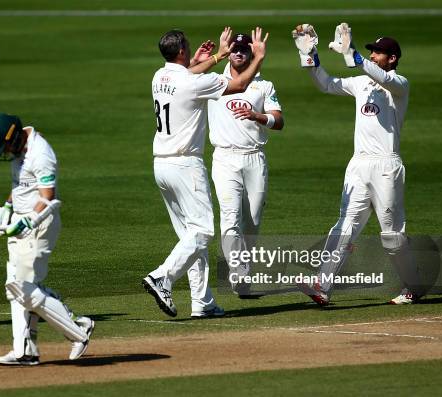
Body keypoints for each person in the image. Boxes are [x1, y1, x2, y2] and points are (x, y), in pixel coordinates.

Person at [291, 23, 422, 305]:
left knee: (390, 234)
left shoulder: (399, 86)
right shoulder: (361, 84)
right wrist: (309, 56)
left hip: (386, 166)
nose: (374, 55)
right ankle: (322, 286)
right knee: (345, 226)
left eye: (379, 53)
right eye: (371, 52)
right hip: (358, 165)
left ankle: (413, 285)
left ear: (393, 58)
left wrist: (353, 55)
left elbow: (381, 77)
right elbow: (326, 84)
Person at [143, 27, 268, 318]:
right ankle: (162, 276)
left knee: (190, 236)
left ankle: (203, 302)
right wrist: (258, 58)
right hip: (186, 164)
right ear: (183, 52)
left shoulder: (159, 77)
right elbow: (238, 84)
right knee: (202, 231)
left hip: (161, 164)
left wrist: (216, 57)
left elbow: (186, 75)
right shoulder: (193, 82)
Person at [0, 113, 94, 366]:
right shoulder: (18, 148)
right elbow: (21, 184)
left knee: (22, 287)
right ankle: (25, 350)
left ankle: (77, 332)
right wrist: (7, 207)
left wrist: (28, 220)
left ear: (14, 137)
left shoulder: (41, 154)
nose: (5, 153)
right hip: (19, 222)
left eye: (5, 146)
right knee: (16, 287)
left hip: (39, 225)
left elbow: (47, 197)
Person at [207, 33, 284, 298]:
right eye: (235, 49)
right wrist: (214, 53)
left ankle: (244, 270)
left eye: (244, 50)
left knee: (252, 222)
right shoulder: (214, 82)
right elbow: (186, 78)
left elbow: (279, 121)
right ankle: (238, 274)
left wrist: (258, 116)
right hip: (225, 158)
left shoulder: (264, 85)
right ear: (229, 52)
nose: (239, 53)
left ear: (252, 54)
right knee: (230, 219)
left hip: (254, 157)